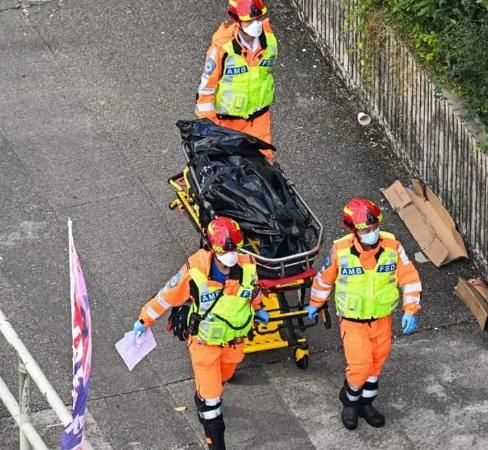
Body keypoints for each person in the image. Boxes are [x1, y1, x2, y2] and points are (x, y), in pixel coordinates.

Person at [131, 217, 269, 449]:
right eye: (227, 250)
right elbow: (167, 295)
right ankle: (215, 442)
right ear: (212, 248)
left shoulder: (247, 265)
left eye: (235, 248)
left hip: (233, 345)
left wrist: (259, 307)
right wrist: (144, 320)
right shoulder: (195, 270)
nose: (232, 255)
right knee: (212, 401)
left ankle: (203, 398)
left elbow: (251, 290)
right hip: (204, 346)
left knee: (222, 380)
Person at [304, 198, 422, 430]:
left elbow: (409, 278)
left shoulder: (392, 246)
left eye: (375, 227)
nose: (372, 233)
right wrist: (315, 303)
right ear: (353, 230)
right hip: (353, 321)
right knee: (359, 365)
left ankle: (366, 404)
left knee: (376, 364)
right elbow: (324, 279)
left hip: (381, 319)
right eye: (366, 230)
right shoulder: (341, 250)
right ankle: (349, 402)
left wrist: (411, 309)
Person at [196, 0, 278, 161]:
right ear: (237, 20)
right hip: (226, 122)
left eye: (258, 18)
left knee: (262, 164)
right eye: (249, 20)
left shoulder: (270, 42)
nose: (255, 24)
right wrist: (209, 125)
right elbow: (206, 90)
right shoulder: (222, 49)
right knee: (227, 168)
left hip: (258, 119)